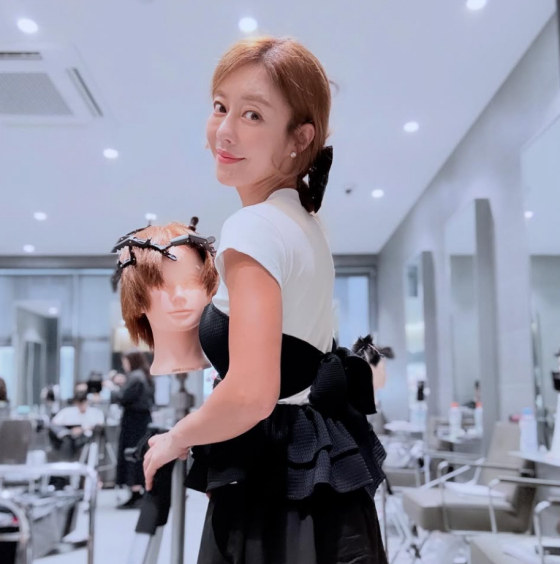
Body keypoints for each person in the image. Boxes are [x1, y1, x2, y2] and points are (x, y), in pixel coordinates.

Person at [143, 36, 388, 563]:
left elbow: (253, 393)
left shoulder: (253, 226)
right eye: (220, 106)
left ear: (300, 137)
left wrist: (176, 437)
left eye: (252, 115)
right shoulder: (306, 222)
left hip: (274, 487)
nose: (225, 131)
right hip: (314, 471)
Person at [116, 349, 155, 509]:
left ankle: (135, 492)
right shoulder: (144, 375)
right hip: (142, 421)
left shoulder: (135, 377)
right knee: (140, 455)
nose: (124, 365)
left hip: (133, 422)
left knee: (132, 455)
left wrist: (115, 387)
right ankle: (140, 490)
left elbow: (123, 398)